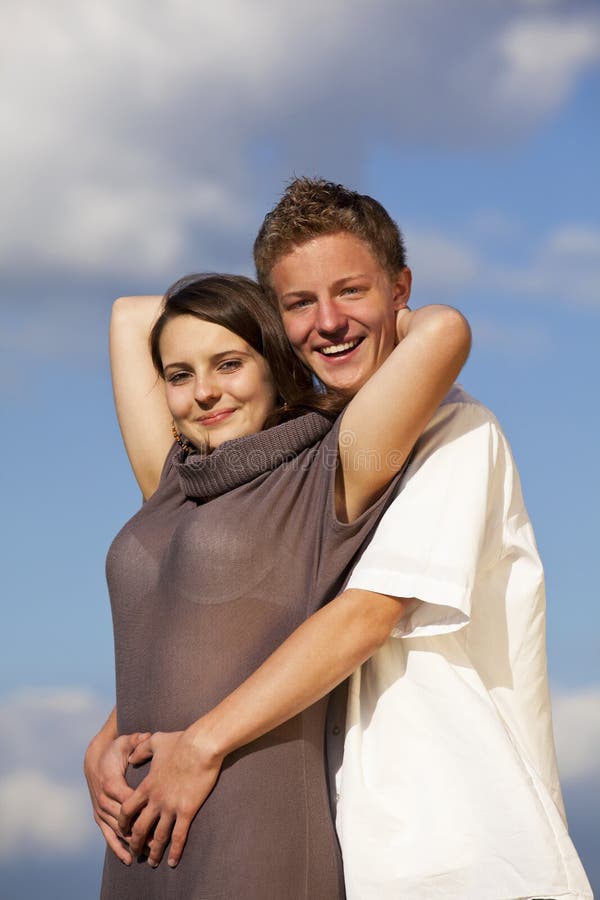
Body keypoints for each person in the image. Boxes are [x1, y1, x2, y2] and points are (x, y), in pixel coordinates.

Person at [88, 178, 591, 899]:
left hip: (443, 826)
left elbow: (363, 613)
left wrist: (197, 742)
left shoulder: (450, 430)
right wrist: (122, 725)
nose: (328, 322)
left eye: (352, 291)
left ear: (400, 290)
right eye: (298, 303)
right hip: (335, 815)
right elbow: (235, 619)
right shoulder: (252, 467)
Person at [88, 270, 470, 899]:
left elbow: (444, 332)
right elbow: (130, 314)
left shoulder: (331, 470)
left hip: (253, 829)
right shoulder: (173, 479)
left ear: (275, 361)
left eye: (230, 363)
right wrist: (110, 732)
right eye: (179, 375)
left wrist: (293, 317)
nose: (204, 393)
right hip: (134, 840)